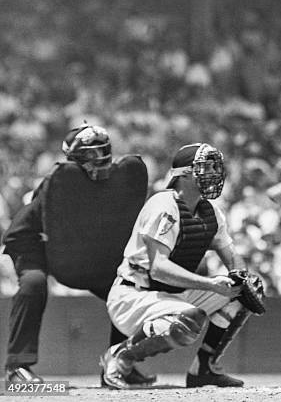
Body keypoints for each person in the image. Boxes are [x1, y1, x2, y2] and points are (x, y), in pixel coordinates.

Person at [100, 143, 263, 389]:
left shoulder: (211, 212)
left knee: (248, 290)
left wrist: (240, 276)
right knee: (187, 319)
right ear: (184, 173)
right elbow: (159, 268)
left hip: (173, 294)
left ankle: (204, 369)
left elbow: (231, 255)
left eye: (214, 167)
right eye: (206, 167)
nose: (214, 173)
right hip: (133, 294)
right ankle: (121, 356)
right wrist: (211, 284)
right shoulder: (163, 205)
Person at [2, 123, 154, 386]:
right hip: (37, 243)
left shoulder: (119, 183)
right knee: (33, 283)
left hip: (84, 250)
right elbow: (20, 231)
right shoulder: (60, 184)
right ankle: (17, 368)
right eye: (88, 155)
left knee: (126, 290)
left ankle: (117, 364)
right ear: (73, 158)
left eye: (101, 153)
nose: (96, 162)